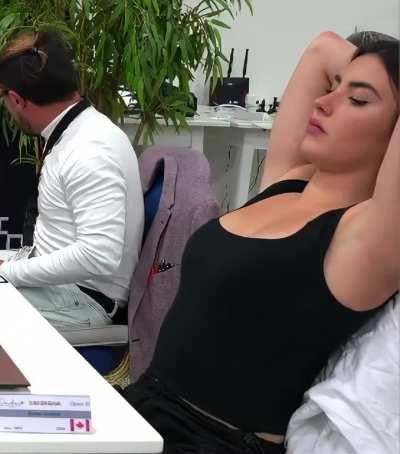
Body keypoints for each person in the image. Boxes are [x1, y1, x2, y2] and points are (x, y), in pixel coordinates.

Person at [122, 30, 399, 454]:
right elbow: (322, 47)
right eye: (335, 85)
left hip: (212, 442)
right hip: (142, 407)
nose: (324, 102)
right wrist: (377, 66)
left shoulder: (368, 239)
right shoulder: (289, 183)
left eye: (358, 100)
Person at [0, 29, 144, 331]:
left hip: (84, 298)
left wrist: (11, 272)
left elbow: (98, 255)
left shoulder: (89, 150)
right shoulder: (80, 131)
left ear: (16, 99)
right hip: (63, 285)